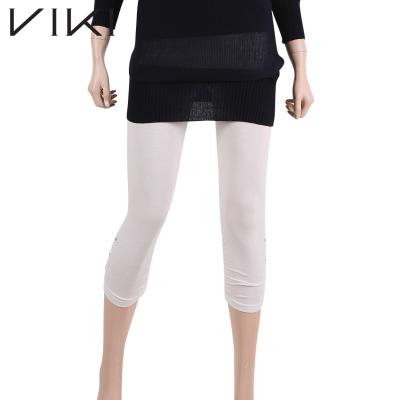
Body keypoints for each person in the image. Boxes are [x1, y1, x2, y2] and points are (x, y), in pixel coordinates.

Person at [88, 0, 314, 399]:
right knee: (147, 212)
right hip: (161, 53)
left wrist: (302, 66)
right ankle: (110, 377)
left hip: (247, 52)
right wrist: (97, 57)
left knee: (245, 215)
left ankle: (245, 389)